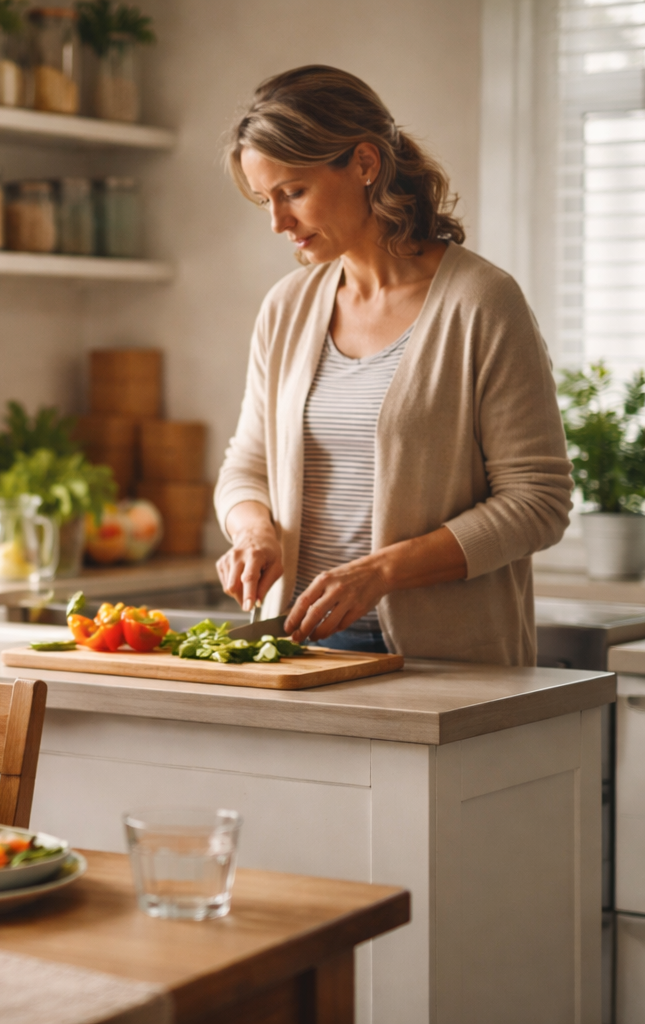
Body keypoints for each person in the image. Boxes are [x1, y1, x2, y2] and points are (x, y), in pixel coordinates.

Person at [213, 66, 572, 665]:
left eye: (293, 192)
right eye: (265, 200)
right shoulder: (288, 306)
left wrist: (380, 573)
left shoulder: (481, 302)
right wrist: (252, 530)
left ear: (364, 164)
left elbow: (538, 501)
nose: (277, 222)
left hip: (445, 661)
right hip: (296, 652)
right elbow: (247, 467)